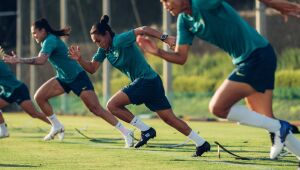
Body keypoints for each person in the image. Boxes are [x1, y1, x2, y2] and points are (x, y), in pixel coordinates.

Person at [136, 0, 299, 160]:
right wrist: (156, 51)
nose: (165, 5)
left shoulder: (202, 3)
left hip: (257, 56)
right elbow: (181, 57)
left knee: (218, 108)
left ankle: (279, 127)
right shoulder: (184, 21)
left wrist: (274, 4)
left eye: (167, 0)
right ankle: (284, 134)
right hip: (252, 58)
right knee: (265, 117)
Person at [68, 15, 210, 157]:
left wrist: (165, 38)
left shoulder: (119, 40)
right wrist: (79, 59)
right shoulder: (104, 50)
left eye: (99, 40)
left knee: (112, 105)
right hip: (150, 82)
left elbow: (143, 29)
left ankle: (146, 130)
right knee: (169, 119)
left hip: (147, 80)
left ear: (106, 34)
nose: (98, 44)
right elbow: (92, 68)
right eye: (95, 42)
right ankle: (201, 143)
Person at [3, 18, 134, 147]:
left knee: (96, 109)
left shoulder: (50, 40)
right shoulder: (46, 41)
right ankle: (57, 126)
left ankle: (126, 132)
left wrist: (19, 60)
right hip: (63, 78)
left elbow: (41, 60)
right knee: (40, 97)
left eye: (35, 33)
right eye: (32, 34)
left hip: (77, 77)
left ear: (43, 30)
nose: (34, 36)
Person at [0, 53, 50, 138]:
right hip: (7, 91)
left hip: (18, 90)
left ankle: (56, 125)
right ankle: (4, 131)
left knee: (34, 114)